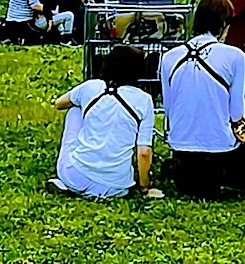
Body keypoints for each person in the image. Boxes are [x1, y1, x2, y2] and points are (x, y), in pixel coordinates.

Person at [161, 0, 245, 198]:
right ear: (224, 23)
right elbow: (236, 114)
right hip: (220, 147)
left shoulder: (169, 57)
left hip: (181, 146)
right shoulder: (235, 56)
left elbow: (169, 109)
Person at [50, 45, 162, 200]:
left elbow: (59, 103)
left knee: (75, 108)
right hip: (116, 187)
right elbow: (144, 152)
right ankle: (92, 188)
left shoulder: (91, 86)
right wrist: (145, 188)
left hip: (75, 176)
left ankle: (68, 183)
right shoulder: (144, 100)